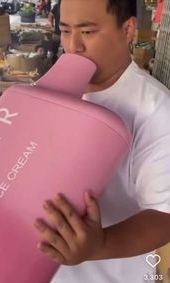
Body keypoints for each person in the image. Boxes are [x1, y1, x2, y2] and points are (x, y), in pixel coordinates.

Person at [33, 0, 170, 282]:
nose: (73, 46)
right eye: (66, 31)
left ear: (129, 29)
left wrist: (101, 244)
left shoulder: (155, 111)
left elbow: (164, 214)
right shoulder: (49, 90)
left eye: (87, 32)